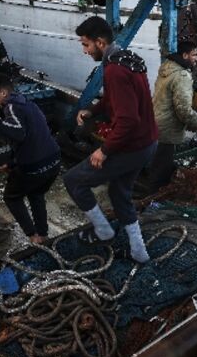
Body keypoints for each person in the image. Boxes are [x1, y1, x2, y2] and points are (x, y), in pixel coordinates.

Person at [63, 16, 158, 263]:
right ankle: (139, 251)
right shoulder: (127, 60)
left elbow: (128, 120)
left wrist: (104, 151)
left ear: (101, 42)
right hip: (147, 143)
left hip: (131, 147)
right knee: (119, 192)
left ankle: (104, 231)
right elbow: (114, 100)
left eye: (86, 45)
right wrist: (92, 111)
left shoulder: (114, 70)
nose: (84, 51)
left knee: (73, 180)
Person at [0, 73, 61, 244]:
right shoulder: (30, 105)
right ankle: (43, 235)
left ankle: (32, 236)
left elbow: (18, 133)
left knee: (11, 197)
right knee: (36, 193)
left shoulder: (11, 107)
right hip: (54, 161)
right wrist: (12, 162)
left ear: (2, 92)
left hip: (35, 168)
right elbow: (32, 139)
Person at [144, 40, 197, 192]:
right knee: (161, 172)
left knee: (157, 164)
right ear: (185, 55)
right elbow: (184, 110)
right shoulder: (182, 76)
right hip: (167, 129)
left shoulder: (167, 67)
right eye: (194, 55)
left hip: (155, 123)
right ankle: (152, 204)